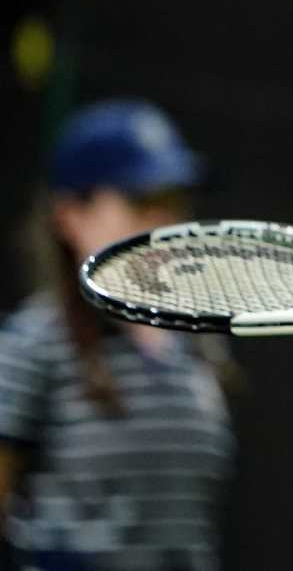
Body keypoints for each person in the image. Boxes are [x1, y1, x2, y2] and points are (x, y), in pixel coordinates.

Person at [0, 100, 234, 571]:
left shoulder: (196, 345)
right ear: (70, 215)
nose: (164, 222)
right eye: (142, 201)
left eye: (173, 201)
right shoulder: (30, 345)